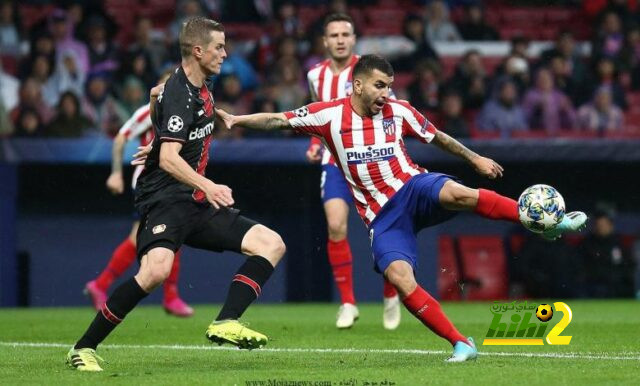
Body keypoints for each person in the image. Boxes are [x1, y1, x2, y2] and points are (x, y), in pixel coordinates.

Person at [216, 54, 588, 362]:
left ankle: (547, 223)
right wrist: (235, 119)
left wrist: (475, 158)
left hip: (413, 187)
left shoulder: (399, 111)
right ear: (358, 85)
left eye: (390, 86)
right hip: (381, 216)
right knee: (399, 277)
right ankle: (462, 343)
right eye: (380, 85)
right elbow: (279, 119)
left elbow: (437, 136)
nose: (386, 93)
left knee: (460, 193)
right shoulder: (328, 115)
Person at [67, 17, 286, 372]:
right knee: (156, 272)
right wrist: (206, 183)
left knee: (271, 243)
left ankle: (226, 321)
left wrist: (155, 142)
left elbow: (160, 104)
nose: (225, 53)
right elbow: (170, 158)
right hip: (166, 199)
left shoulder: (195, 87)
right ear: (198, 51)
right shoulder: (182, 93)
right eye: (219, 47)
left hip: (195, 202)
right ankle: (83, 347)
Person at [305, 13, 401, 330]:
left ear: (354, 38)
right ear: (325, 41)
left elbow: (391, 109)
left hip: (372, 160)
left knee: (383, 231)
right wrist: (315, 142)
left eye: (346, 34)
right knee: (335, 226)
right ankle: (348, 302)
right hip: (335, 163)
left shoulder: (371, 69)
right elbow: (319, 115)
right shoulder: (315, 76)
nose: (340, 40)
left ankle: (390, 291)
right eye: (334, 35)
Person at [84, 71, 193, 317]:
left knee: (153, 237)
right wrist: (115, 173)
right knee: (169, 234)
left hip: (170, 181)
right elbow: (121, 138)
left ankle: (101, 284)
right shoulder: (149, 110)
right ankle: (169, 296)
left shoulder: (184, 110)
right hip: (151, 183)